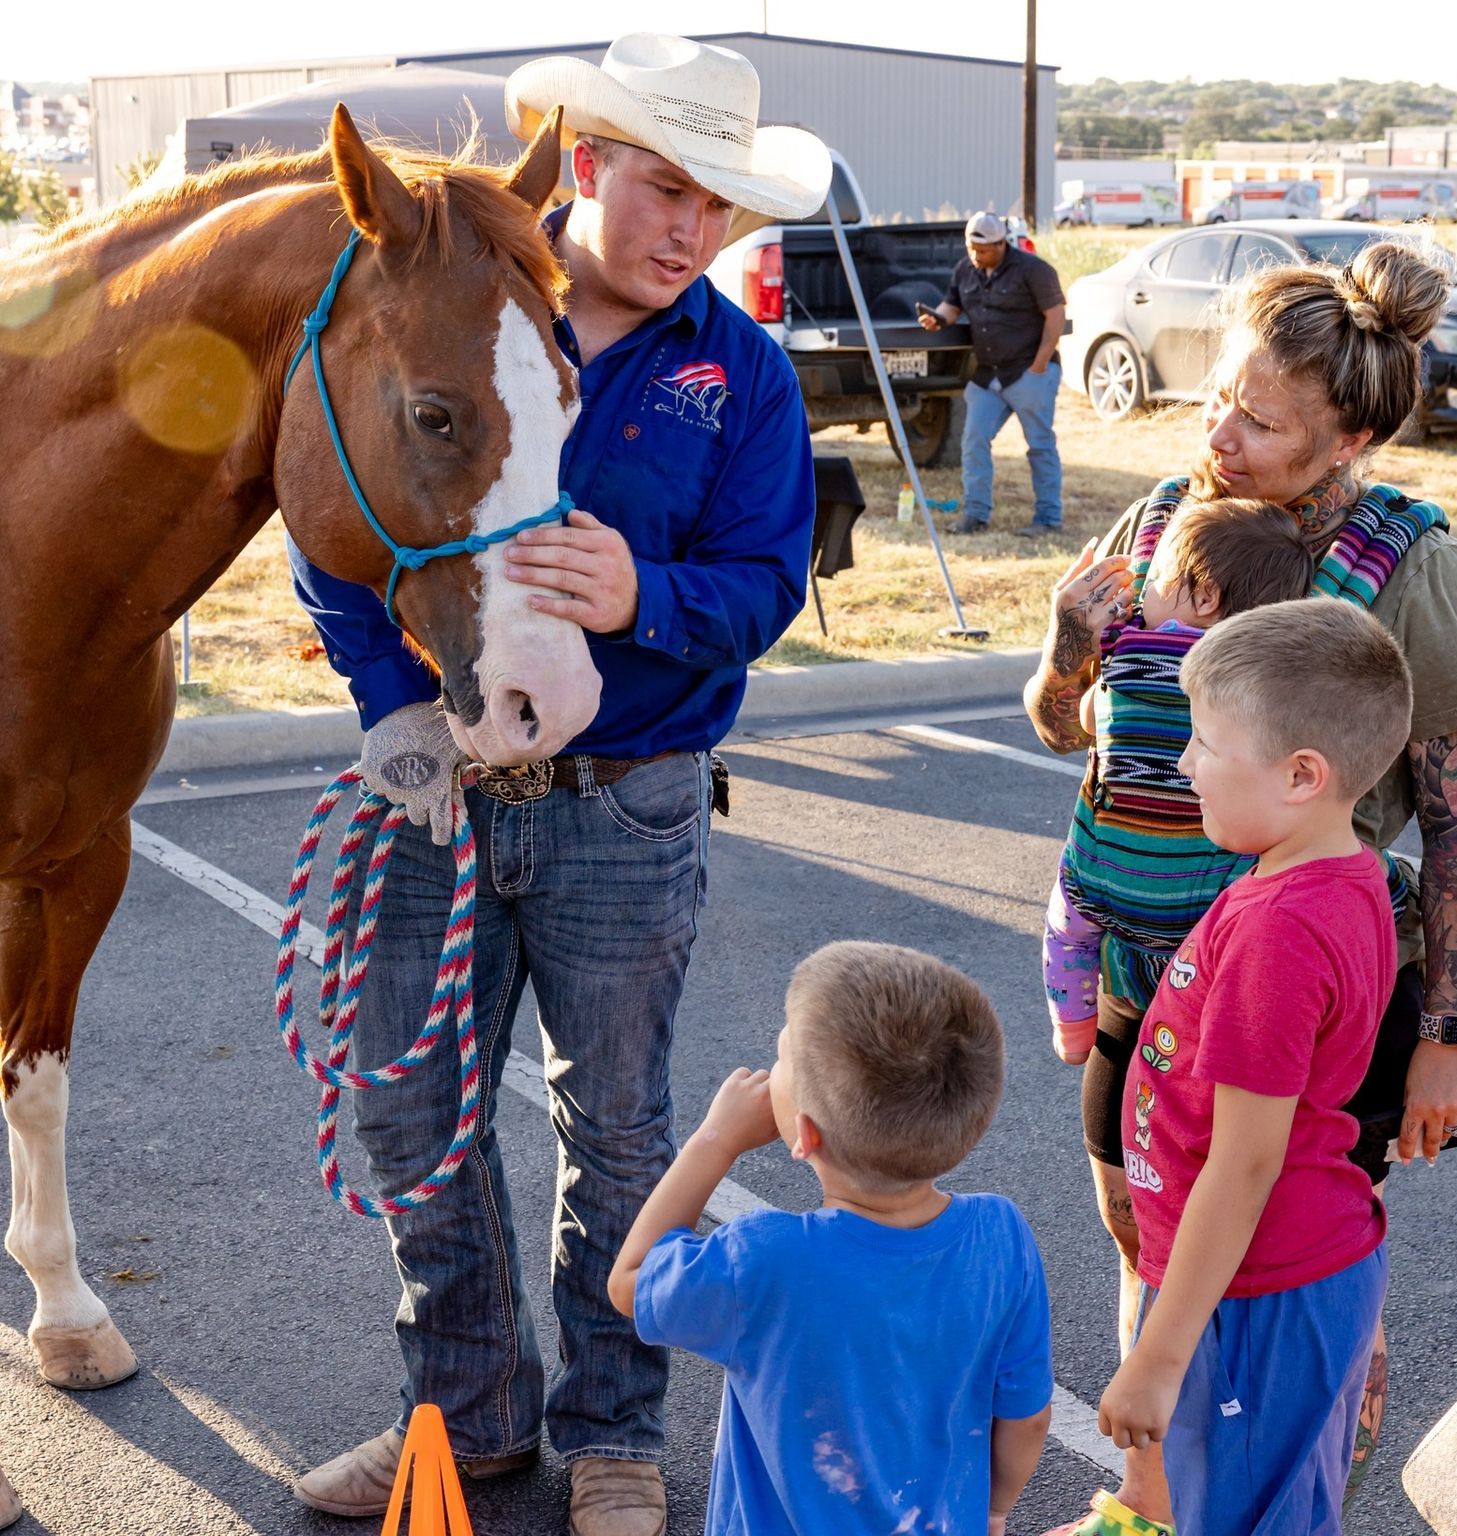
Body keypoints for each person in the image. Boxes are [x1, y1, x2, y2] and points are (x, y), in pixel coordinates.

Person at [287, 34, 829, 1536]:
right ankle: (463, 1424)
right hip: (435, 800)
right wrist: (392, 702)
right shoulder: (443, 314)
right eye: (666, 188)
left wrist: (639, 593)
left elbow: (765, 583)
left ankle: (613, 1434)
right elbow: (329, 507)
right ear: (586, 168)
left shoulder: (744, 377)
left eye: (718, 207)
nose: (690, 231)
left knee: (619, 1133)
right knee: (414, 1121)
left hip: (628, 799)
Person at [1028, 241, 1457, 1535]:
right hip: (1147, 985)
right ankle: (1156, 1489)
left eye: (1259, 418)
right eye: (1217, 397)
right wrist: (1067, 656)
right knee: (1147, 1236)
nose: (1219, 433)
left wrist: (1453, 1038)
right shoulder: (1156, 525)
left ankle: (1292, 1478)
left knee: (1294, 1288)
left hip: (1299, 1008)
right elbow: (1073, 732)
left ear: (1346, 435)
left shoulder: (1412, 568)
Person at [1097, 600, 1414, 1535]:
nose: (1184, 762)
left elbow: (1244, 1162)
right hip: (1259, 1276)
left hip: (1256, 1290)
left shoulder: (1280, 928)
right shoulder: (1325, 872)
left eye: (1204, 742)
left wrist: (1158, 1355)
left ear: (1301, 776)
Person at [608, 941, 1056, 1536]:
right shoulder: (1001, 1237)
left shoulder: (763, 1260)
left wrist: (715, 1139)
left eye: (783, 1052)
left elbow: (630, 1283)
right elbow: (1026, 1415)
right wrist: (994, 1511)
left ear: (804, 1134)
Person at [1044, 499, 1318, 1063]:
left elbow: (1090, 720)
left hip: (1101, 874)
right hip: (1208, 893)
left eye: (1156, 582)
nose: (1143, 594)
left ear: (1205, 595)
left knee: (1065, 932)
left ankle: (1072, 1028)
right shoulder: (1260, 682)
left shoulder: (1125, 656)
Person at [920, 211, 1066, 537]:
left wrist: (1040, 363)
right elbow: (951, 305)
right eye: (971, 248)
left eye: (983, 250)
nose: (976, 255)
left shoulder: (1034, 270)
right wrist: (937, 319)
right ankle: (975, 514)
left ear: (1001, 244)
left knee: (1040, 445)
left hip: (1028, 370)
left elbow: (1055, 314)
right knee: (973, 440)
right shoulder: (965, 270)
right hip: (988, 375)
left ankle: (1048, 519)